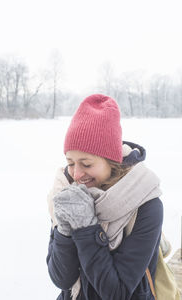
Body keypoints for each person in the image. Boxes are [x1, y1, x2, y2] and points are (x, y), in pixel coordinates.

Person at [46, 94, 163, 300]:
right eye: (71, 162)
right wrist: (64, 229)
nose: (76, 174)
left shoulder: (146, 204)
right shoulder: (66, 193)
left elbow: (116, 293)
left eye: (87, 164)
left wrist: (85, 227)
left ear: (112, 161)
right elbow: (62, 279)